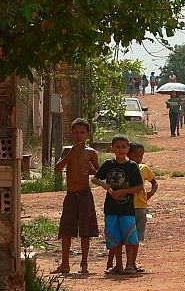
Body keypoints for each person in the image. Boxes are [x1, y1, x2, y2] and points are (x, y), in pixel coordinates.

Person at [52, 118, 100, 274]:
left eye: (82, 133)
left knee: (85, 230)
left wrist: (93, 171)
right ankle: (65, 264)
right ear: (71, 134)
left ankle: (84, 264)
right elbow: (57, 169)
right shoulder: (67, 150)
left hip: (85, 194)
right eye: (76, 133)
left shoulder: (91, 152)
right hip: (71, 194)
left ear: (87, 134)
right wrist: (70, 154)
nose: (79, 136)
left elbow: (100, 173)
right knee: (66, 229)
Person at [92, 134, 144, 275]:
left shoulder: (132, 166)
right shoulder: (108, 165)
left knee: (129, 238)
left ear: (128, 149)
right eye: (118, 147)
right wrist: (104, 185)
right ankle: (118, 265)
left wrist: (123, 192)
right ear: (112, 148)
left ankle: (130, 265)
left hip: (127, 209)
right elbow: (95, 179)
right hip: (111, 208)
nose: (121, 150)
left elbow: (139, 186)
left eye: (123, 147)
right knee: (114, 239)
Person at [106, 142, 158, 272]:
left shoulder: (143, 168)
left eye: (141, 156)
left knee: (135, 237)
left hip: (139, 207)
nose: (138, 159)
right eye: (135, 156)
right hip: (124, 207)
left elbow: (154, 183)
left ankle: (132, 263)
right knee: (119, 235)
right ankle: (115, 263)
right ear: (128, 154)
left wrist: (150, 194)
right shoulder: (124, 168)